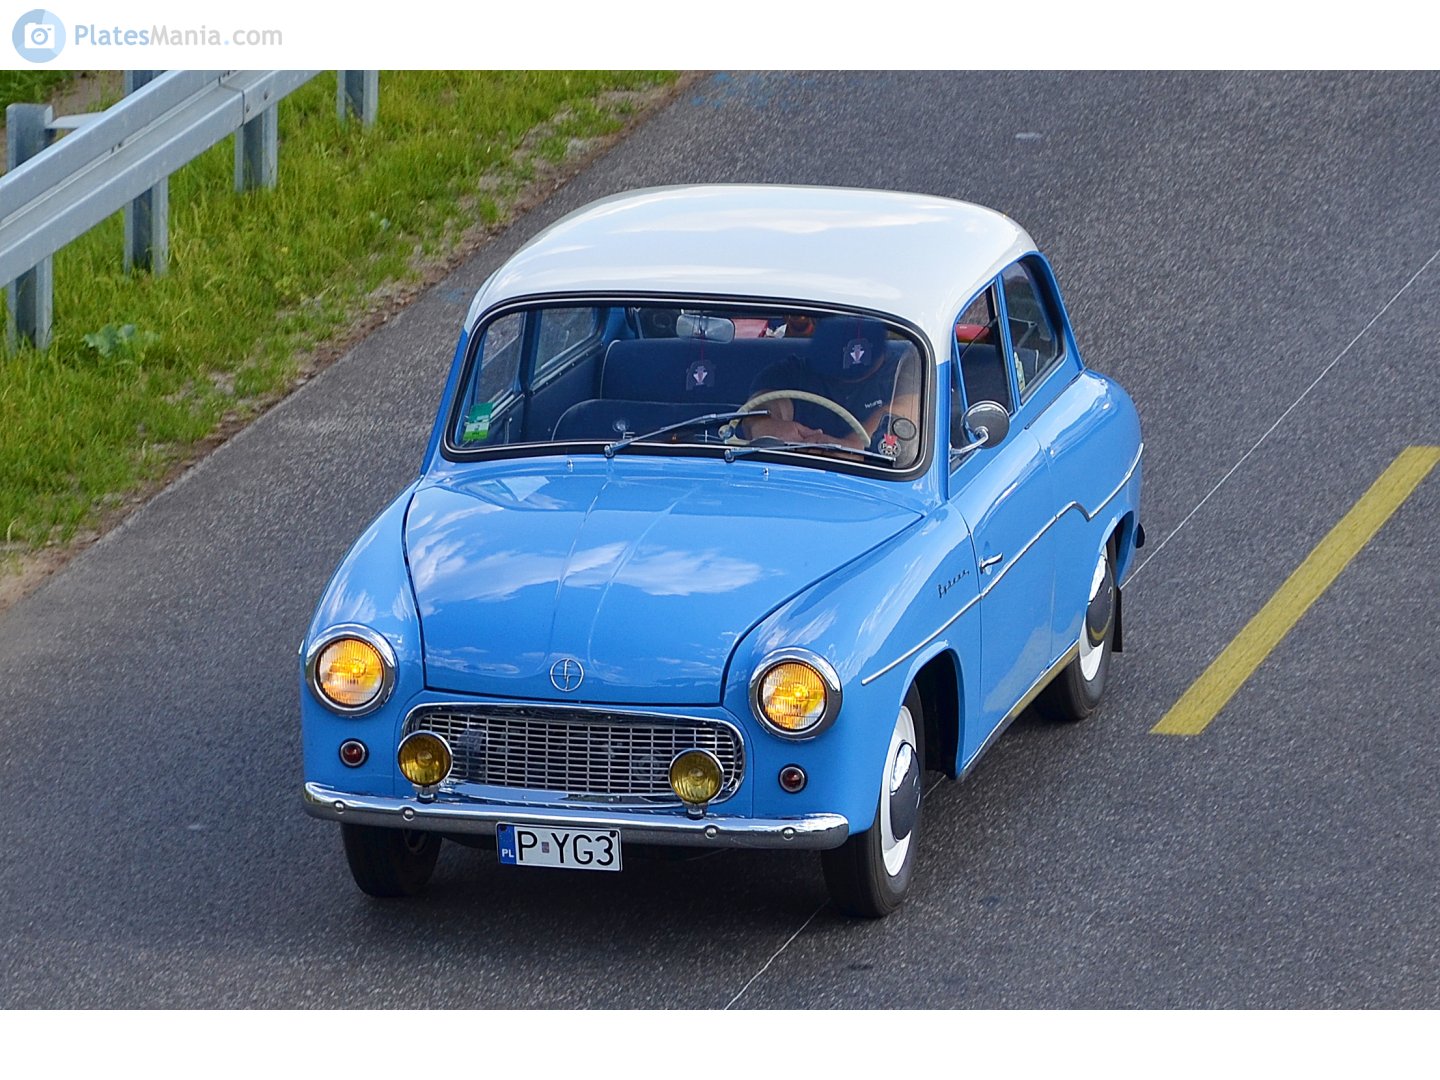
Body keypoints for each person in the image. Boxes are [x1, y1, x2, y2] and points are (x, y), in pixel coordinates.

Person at [743, 315, 921, 461]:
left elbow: (905, 410)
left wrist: (851, 446)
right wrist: (765, 425)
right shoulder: (789, 372)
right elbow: (765, 403)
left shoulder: (905, 372)